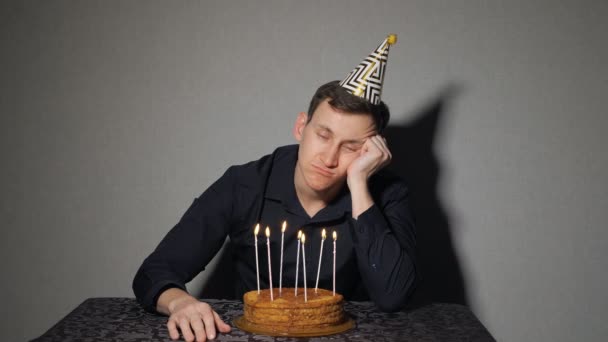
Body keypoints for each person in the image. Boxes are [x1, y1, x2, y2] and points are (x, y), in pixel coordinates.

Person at [133, 35, 416, 342]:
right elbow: (155, 270)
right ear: (300, 127)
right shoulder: (244, 184)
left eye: (351, 147)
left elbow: (393, 295)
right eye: (323, 135)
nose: (329, 158)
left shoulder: (387, 193)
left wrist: (359, 184)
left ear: (371, 153)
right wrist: (180, 302)